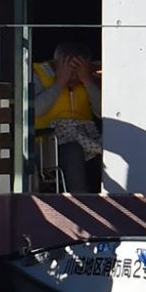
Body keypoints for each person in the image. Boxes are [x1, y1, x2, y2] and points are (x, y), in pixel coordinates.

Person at [33, 42, 102, 193]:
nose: (73, 77)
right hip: (47, 145)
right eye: (70, 70)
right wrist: (60, 83)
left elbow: (103, 112)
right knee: (73, 151)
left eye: (78, 72)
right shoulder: (39, 74)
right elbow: (35, 110)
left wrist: (88, 80)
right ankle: (80, 203)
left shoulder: (90, 78)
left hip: (88, 140)